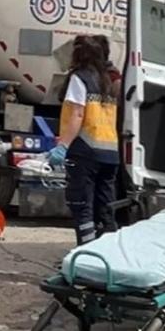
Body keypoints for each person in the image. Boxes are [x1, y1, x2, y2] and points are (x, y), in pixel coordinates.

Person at [46, 35, 122, 246]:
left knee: (82, 205)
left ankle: (87, 256)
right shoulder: (109, 80)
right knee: (105, 207)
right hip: (110, 153)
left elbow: (77, 114)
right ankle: (108, 253)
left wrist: (63, 146)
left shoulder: (80, 78)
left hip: (86, 151)